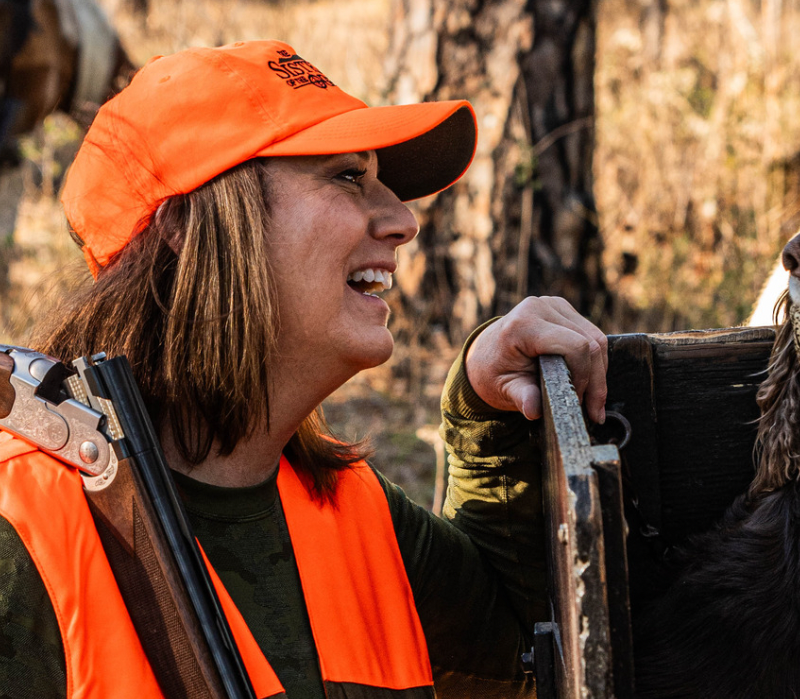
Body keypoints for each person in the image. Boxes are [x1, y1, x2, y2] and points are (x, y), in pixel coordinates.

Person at [0, 40, 607, 699]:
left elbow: (529, 658)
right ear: (187, 222)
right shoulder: (20, 527)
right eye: (348, 176)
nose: (404, 221)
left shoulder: (356, 512)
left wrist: (488, 418)